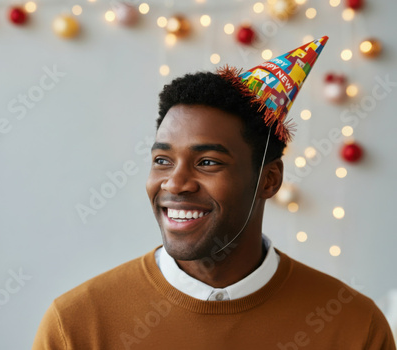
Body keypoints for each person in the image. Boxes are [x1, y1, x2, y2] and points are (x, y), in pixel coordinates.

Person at [32, 37, 396, 349]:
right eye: (162, 159)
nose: (175, 183)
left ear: (269, 180)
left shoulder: (354, 327)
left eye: (207, 162)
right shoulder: (77, 326)